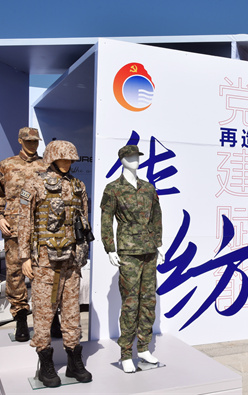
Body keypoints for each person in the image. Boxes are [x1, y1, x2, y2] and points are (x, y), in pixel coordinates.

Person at [19, 140, 92, 387]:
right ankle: (45, 364)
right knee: (43, 312)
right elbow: (25, 222)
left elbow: (83, 220)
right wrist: (25, 257)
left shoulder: (78, 186)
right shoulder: (34, 184)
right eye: (63, 158)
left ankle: (74, 361)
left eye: (70, 159)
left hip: (71, 261)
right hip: (45, 261)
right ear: (51, 158)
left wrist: (82, 251)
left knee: (71, 312)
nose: (67, 163)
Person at [100, 145, 163, 374]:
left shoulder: (148, 188)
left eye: (137, 156)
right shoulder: (113, 188)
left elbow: (157, 216)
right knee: (130, 302)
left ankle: (144, 347)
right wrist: (110, 248)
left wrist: (158, 243)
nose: (135, 159)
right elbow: (106, 220)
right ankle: (126, 352)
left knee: (148, 300)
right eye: (130, 156)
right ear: (122, 159)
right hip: (127, 251)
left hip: (149, 250)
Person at [0, 127, 46, 342]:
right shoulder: (6, 165)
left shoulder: (46, 166)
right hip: (14, 227)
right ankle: (21, 318)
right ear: (20, 140)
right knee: (14, 273)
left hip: (41, 229)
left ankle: (49, 319)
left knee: (44, 272)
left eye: (35, 141)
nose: (32, 144)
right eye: (28, 141)